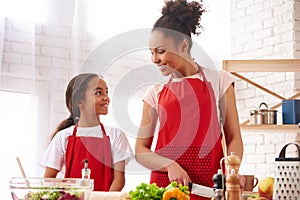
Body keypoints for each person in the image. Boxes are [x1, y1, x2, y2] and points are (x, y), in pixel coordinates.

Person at [135, 0, 243, 199]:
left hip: (210, 186)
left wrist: (233, 173)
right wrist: (169, 165)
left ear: (183, 45)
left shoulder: (219, 80)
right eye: (151, 53)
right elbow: (141, 150)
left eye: (160, 51)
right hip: (166, 189)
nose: (154, 59)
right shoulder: (155, 92)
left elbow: (233, 136)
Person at [40, 73, 133, 191]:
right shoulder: (63, 137)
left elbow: (119, 179)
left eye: (106, 92)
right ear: (79, 102)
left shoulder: (116, 135)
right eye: (98, 93)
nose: (106, 98)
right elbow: (49, 180)